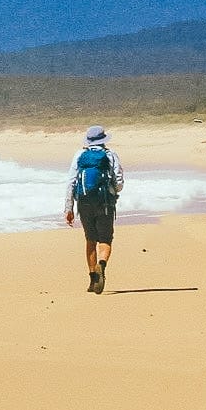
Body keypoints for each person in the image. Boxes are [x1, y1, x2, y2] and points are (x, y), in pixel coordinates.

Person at [63, 124, 124, 294]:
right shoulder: (110, 155)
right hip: (105, 203)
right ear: (103, 139)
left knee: (90, 239)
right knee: (105, 240)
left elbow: (71, 182)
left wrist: (69, 208)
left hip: (84, 203)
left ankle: (92, 281)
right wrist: (111, 192)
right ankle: (102, 264)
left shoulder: (80, 155)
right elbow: (119, 183)